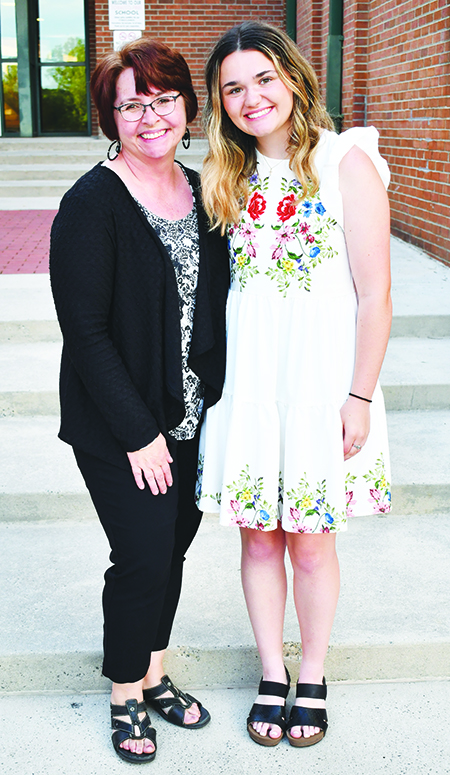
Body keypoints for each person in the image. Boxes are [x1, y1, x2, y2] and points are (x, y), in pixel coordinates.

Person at [196, 21, 392, 748]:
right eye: (234, 88)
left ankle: (312, 672)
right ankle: (270, 672)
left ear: (294, 78)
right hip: (249, 389)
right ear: (220, 104)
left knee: (310, 540)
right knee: (256, 540)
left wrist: (360, 396)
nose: (252, 98)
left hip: (319, 388)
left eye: (264, 79)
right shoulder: (226, 176)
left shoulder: (346, 160)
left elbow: (375, 294)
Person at [50, 38, 229, 764]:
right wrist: (137, 433)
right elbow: (86, 332)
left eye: (163, 99)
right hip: (121, 422)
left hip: (190, 414)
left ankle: (153, 671)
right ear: (109, 118)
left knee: (174, 549)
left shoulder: (201, 188)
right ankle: (126, 691)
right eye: (131, 104)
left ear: (188, 107)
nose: (149, 115)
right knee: (144, 552)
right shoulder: (91, 203)